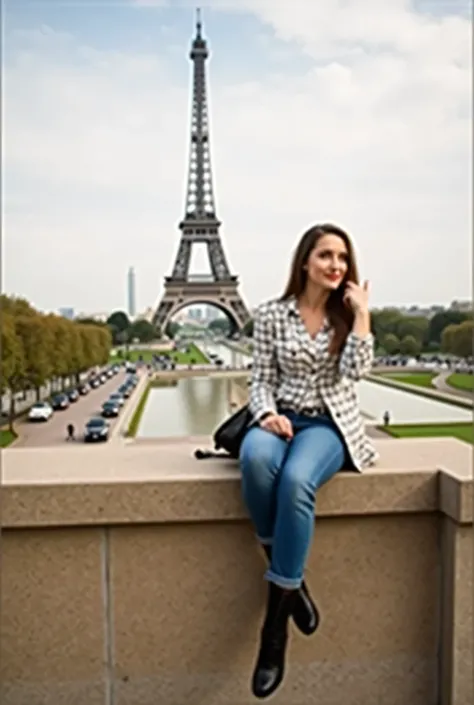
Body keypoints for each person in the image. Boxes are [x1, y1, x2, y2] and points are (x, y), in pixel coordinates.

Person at [239, 223, 378, 699]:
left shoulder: (348, 315)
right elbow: (258, 379)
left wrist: (361, 316)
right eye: (325, 256)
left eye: (342, 257)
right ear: (305, 261)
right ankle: (290, 583)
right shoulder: (271, 315)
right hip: (279, 421)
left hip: (328, 427)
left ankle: (273, 635)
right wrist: (268, 414)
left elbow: (358, 373)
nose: (335, 265)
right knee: (257, 464)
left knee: (297, 479)